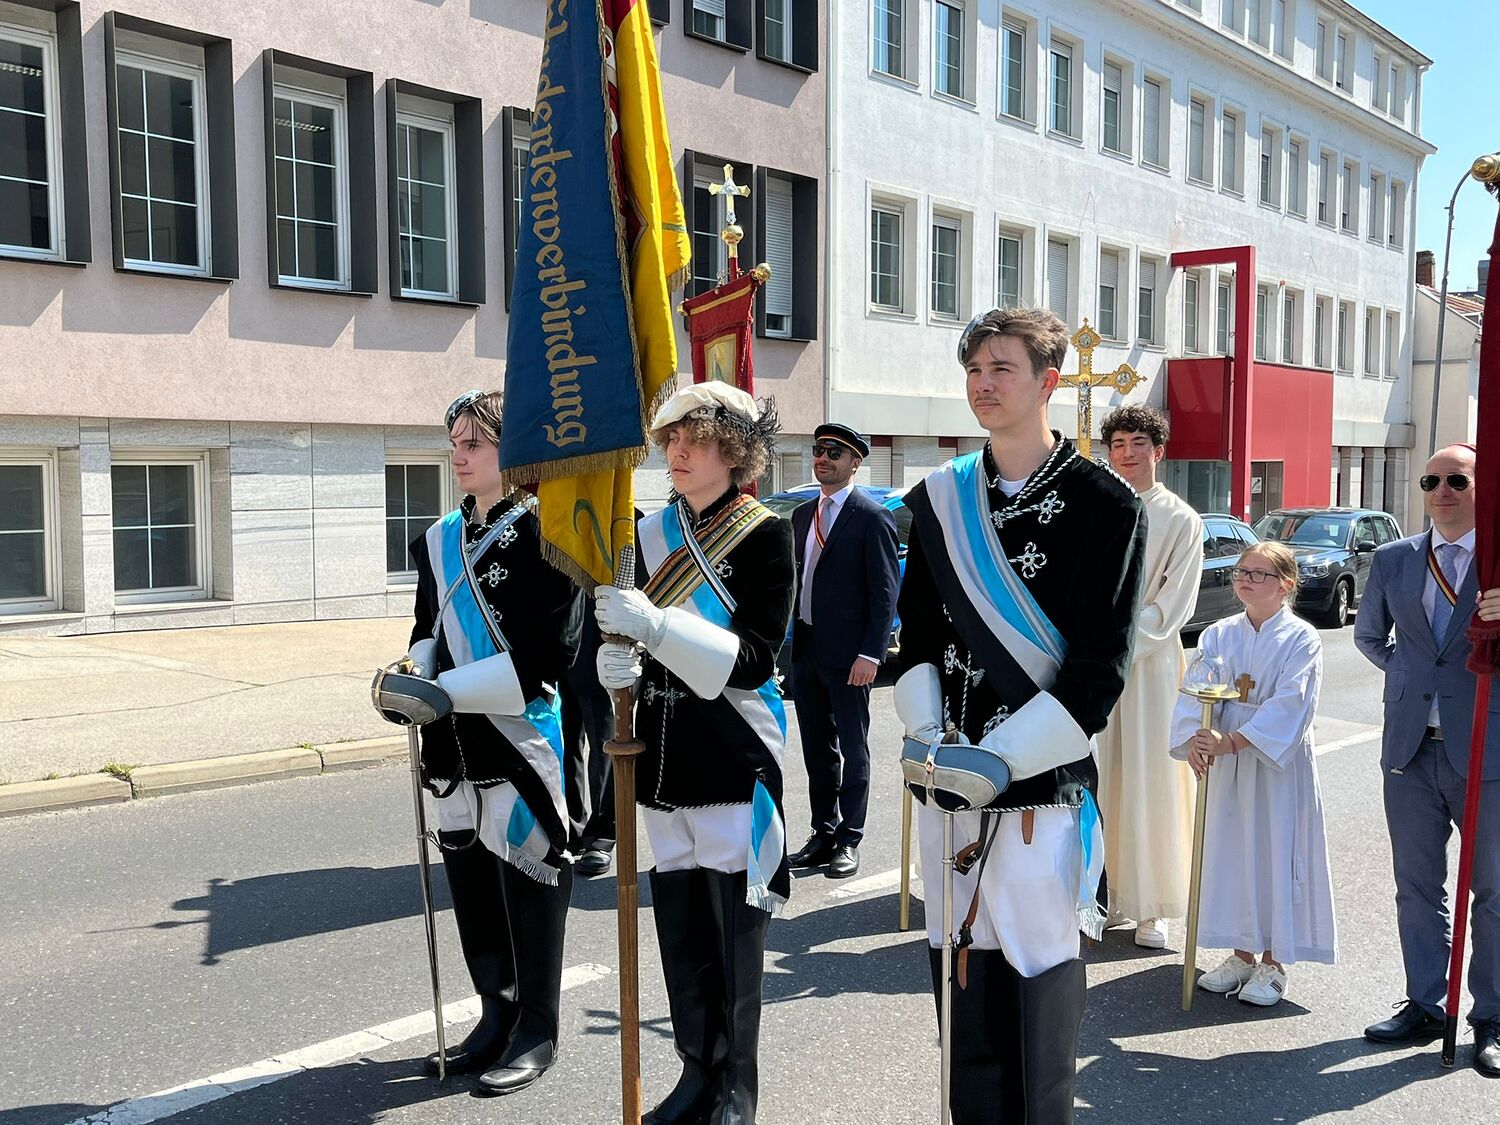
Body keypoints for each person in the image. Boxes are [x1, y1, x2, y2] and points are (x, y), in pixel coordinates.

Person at [893, 306, 1146, 1124]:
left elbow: (1097, 669)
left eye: (1002, 367)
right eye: (974, 369)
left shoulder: (1106, 503)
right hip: (949, 785)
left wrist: (997, 759)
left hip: (1039, 791)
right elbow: (916, 638)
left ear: (1048, 380)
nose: (983, 383)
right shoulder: (940, 500)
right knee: (960, 976)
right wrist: (929, 739)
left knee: (1039, 978)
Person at [594, 381, 794, 1125]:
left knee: (734, 935)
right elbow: (624, 641)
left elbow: (756, 659)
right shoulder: (646, 534)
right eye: (671, 438)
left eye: (695, 438)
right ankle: (695, 1070)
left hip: (731, 753)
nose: (677, 451)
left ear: (734, 451)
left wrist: (655, 629)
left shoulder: (767, 535)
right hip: (661, 758)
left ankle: (737, 1085)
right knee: (682, 931)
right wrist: (614, 664)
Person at [383, 390, 584, 1094]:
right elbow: (427, 627)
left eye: (475, 443)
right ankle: (496, 1011)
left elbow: (551, 653)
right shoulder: (440, 537)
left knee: (529, 880)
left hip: (518, 734)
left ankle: (537, 1027)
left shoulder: (552, 530)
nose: (459, 456)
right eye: (455, 443)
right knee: (470, 886)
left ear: (513, 448)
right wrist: (414, 673)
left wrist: (445, 689)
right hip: (451, 738)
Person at [1354, 443, 1499, 1076]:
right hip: (1411, 748)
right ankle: (1426, 1003)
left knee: (1492, 891)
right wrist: (1411, 678)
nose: (1442, 490)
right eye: (1431, 480)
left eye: (1457, 480)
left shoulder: (1497, 562)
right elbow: (1368, 636)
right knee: (1416, 886)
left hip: (1487, 746)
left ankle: (1491, 1015)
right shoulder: (1394, 558)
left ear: (1482, 488)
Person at [1169, 541, 1337, 1006]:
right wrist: (1196, 740)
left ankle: (1274, 961)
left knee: (1274, 852)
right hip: (1226, 762)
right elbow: (1194, 690)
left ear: (1285, 585)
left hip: (1275, 764)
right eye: (1242, 571)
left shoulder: (1301, 638)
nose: (1245, 579)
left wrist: (1235, 741)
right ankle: (1241, 954)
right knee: (1233, 852)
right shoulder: (1218, 634)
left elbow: (1292, 703)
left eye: (1258, 574)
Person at [1095, 405, 1203, 949]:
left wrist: (1116, 642)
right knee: (1102, 775)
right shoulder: (1095, 508)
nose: (1128, 453)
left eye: (1139, 442)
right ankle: (1112, 894)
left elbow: (1173, 604)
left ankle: (1154, 906)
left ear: (1158, 451)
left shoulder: (1181, 519)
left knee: (1151, 779)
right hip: (1094, 666)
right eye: (1118, 443)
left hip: (1150, 664)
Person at [786, 422, 901, 879]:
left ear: (855, 462)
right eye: (819, 449)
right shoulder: (802, 515)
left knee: (853, 749)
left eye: (835, 452)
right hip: (807, 648)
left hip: (851, 656)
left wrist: (871, 654)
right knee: (817, 751)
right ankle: (822, 833)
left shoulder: (872, 516)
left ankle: (849, 839)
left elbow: (885, 594)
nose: (823, 458)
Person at [562, 602, 616, 876]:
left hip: (598, 641)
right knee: (563, 744)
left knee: (604, 746)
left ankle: (602, 836)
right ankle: (571, 828)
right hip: (556, 643)